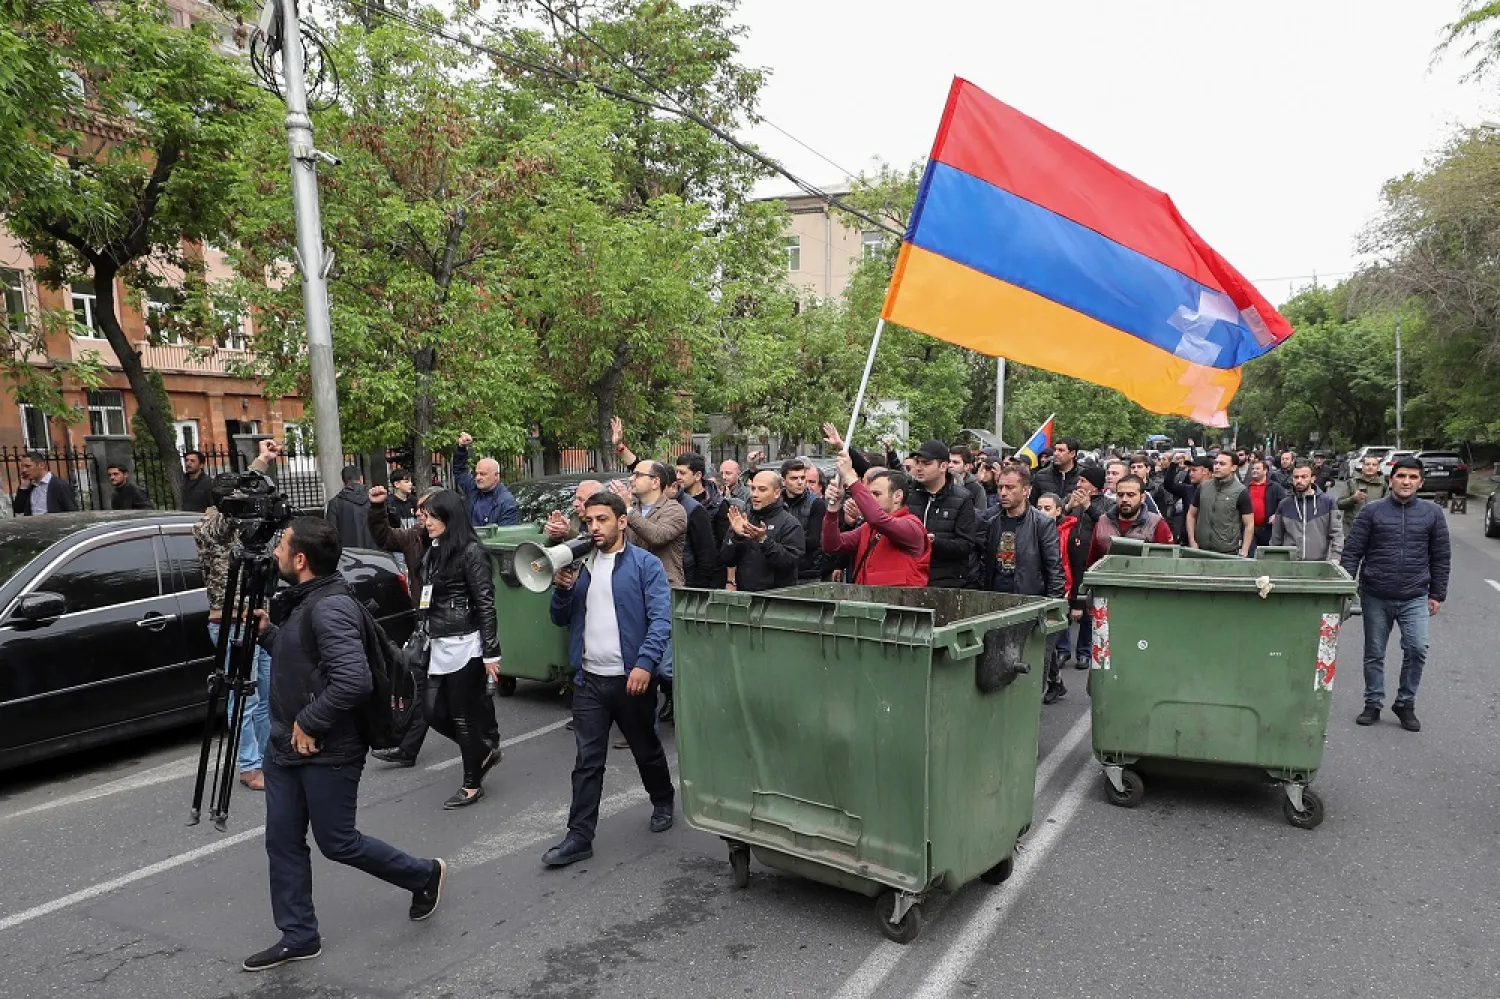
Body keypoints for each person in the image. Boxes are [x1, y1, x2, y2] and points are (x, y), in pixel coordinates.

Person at [243, 517, 445, 972]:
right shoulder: (303, 598)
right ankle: (298, 936)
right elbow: (307, 663)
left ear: (300, 560)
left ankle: (424, 874)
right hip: (285, 746)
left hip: (327, 749)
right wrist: (269, 634)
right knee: (283, 842)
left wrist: (311, 721)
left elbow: (352, 680)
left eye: (281, 547)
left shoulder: (329, 606)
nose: (274, 553)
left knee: (338, 842)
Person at [543, 492, 675, 868]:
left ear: (621, 521)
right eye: (588, 521)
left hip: (631, 679)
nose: (594, 527)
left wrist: (645, 664)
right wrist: (562, 589)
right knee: (587, 761)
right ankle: (579, 836)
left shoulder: (645, 565)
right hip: (589, 680)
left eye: (602, 519)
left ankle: (662, 799)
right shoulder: (580, 565)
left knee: (645, 748)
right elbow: (560, 618)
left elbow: (661, 619)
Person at [1340, 456, 1450, 732]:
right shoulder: (1371, 512)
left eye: (1413, 478)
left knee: (1417, 648)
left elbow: (1441, 556)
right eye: (1401, 476)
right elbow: (1352, 552)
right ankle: (1373, 702)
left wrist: (1437, 593)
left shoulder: (1432, 514)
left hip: (1415, 595)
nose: (1406, 481)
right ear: (1391, 480)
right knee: (1374, 653)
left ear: (1421, 483)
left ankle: (1405, 703)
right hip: (1376, 593)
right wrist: (1343, 588)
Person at [194, 439, 279, 790]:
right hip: (229, 622)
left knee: (266, 695)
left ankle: (270, 757)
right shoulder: (207, 530)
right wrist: (257, 464)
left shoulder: (249, 528)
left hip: (257, 619)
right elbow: (225, 523)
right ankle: (247, 765)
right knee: (243, 697)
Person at [411, 490, 503, 807]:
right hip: (439, 641)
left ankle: (471, 783)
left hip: (466, 642)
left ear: (450, 518)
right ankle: (482, 750)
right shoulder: (435, 549)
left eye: (434, 516)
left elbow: (486, 604)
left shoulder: (471, 551)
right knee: (432, 712)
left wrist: (492, 653)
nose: (427, 522)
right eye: (426, 516)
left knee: (462, 716)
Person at [365, 485, 453, 767]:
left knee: (459, 694)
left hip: (454, 629)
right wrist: (378, 509)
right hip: (426, 624)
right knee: (422, 686)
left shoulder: (459, 543)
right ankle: (407, 748)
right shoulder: (415, 536)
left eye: (426, 512)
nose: (421, 517)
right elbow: (384, 537)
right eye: (419, 512)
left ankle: (484, 741)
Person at [977, 465, 1066, 701]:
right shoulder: (992, 521)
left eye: (1010, 487)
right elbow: (985, 563)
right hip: (996, 601)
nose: (1003, 492)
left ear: (1026, 490)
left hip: (1029, 602)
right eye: (1000, 487)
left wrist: (1052, 607)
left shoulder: (1041, 524)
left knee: (1032, 663)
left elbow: (1053, 568)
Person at [820, 452, 930, 585]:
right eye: (868, 494)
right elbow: (832, 545)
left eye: (876, 494)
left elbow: (878, 519)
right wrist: (833, 508)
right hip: (868, 601)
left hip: (898, 603)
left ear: (897, 496)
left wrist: (850, 477)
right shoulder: (868, 528)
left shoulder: (912, 526)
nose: (870, 499)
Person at [906, 439, 979, 589]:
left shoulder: (963, 499)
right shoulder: (908, 494)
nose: (919, 468)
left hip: (944, 583)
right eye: (918, 462)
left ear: (943, 466)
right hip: (909, 578)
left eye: (926, 464)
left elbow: (965, 546)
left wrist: (935, 542)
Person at [721, 468, 804, 592]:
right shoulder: (744, 519)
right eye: (753, 488)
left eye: (762, 489)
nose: (754, 494)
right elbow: (726, 559)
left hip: (776, 600)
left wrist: (764, 541)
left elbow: (790, 563)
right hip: (746, 597)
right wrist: (736, 537)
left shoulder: (790, 524)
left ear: (776, 493)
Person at [1037, 492, 1089, 685]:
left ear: (1059, 511)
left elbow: (1077, 567)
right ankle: (1055, 678)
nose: (1042, 512)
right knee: (1046, 641)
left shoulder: (1071, 531)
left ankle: (1051, 680)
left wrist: (1077, 601)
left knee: (1051, 635)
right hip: (1038, 588)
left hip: (1062, 589)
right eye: (1039, 508)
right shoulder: (1033, 528)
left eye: (1047, 508)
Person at [610, 460, 687, 587]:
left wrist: (628, 509)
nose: (631, 479)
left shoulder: (674, 510)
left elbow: (657, 536)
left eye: (638, 475)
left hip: (662, 587)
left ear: (655, 482)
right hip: (631, 584)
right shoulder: (631, 506)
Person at [1088, 475, 1174, 564]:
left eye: (1130, 495)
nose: (1124, 499)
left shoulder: (1156, 524)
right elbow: (1092, 560)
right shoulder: (1103, 521)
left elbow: (1169, 562)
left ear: (1142, 497)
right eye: (1120, 495)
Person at [1270, 462, 1343, 562]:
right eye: (1296, 477)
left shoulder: (1328, 502)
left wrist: (1335, 557)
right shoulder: (1284, 504)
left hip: (1319, 563)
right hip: (1290, 563)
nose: (1299, 480)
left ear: (1313, 479)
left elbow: (1337, 532)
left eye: (1304, 477)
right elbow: (1276, 537)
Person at [1188, 451, 1253, 556]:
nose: (1217, 467)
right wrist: (1192, 541)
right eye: (1216, 463)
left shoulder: (1241, 491)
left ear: (1233, 467)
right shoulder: (1203, 487)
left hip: (1227, 552)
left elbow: (1249, 524)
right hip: (1201, 550)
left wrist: (1244, 551)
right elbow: (1191, 514)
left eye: (1222, 464)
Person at [452, 431, 519, 527]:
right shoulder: (473, 488)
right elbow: (460, 471)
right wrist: (461, 448)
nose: (478, 478)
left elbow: (505, 536)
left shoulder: (507, 503)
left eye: (483, 474)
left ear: (496, 475)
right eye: (477, 473)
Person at [780, 459, 825, 582]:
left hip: (807, 572)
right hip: (780, 570)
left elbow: (814, 541)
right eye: (794, 478)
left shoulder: (816, 504)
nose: (800, 482)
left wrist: (780, 540)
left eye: (802, 478)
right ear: (783, 481)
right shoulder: (776, 502)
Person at [324, 465, 376, 550]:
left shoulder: (335, 503)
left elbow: (331, 534)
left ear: (343, 482)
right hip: (376, 554)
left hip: (348, 555)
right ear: (361, 479)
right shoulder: (375, 499)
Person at [13, 450, 78, 515]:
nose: (23, 470)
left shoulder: (59, 485)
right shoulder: (31, 487)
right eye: (22, 467)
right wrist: (24, 486)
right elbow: (18, 509)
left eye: (28, 466)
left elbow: (72, 512)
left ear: (41, 465)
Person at [1244, 459, 1286, 553]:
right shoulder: (1246, 487)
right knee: (1251, 556)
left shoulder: (1275, 487)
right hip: (1250, 529)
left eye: (1258, 468)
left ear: (1265, 471)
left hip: (1268, 530)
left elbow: (1285, 503)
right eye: (1253, 469)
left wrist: (1276, 515)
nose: (1254, 470)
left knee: (1267, 555)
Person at [1031, 437, 1082, 504]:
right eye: (1055, 450)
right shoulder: (1041, 475)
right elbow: (1032, 505)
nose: (1055, 453)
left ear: (1072, 454)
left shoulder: (1083, 477)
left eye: (1061, 450)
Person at [1338, 455, 1388, 522]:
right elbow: (1339, 505)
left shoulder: (1383, 484)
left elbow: (1388, 507)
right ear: (1362, 466)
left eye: (1374, 465)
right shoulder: (1351, 482)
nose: (1370, 467)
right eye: (1367, 464)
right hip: (1353, 526)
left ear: (1378, 468)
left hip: (1375, 525)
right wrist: (1353, 498)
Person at [949, 446, 989, 512]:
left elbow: (981, 516)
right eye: (949, 461)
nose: (950, 465)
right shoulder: (940, 483)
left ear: (966, 466)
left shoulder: (977, 489)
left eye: (955, 462)